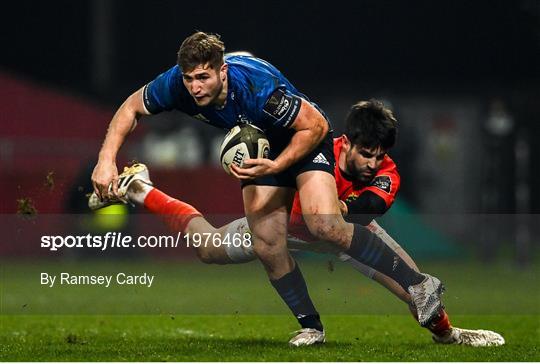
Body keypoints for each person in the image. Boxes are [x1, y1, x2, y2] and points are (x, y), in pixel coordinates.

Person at [91, 31, 444, 346]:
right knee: (266, 244)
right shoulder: (175, 85)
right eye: (189, 79)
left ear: (222, 71)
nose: (195, 87)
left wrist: (278, 166)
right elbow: (130, 107)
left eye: (203, 77)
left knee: (324, 223)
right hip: (263, 150)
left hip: (302, 140)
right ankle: (311, 327)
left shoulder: (260, 91)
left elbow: (316, 126)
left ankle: (419, 285)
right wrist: (106, 159)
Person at [90, 99, 504, 347]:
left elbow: (361, 215)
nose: (374, 162)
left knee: (420, 296)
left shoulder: (388, 172)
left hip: (348, 237)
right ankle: (142, 189)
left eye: (380, 155)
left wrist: (340, 212)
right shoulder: (319, 149)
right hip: (285, 227)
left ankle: (448, 335)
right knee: (207, 247)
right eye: (367, 153)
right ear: (349, 143)